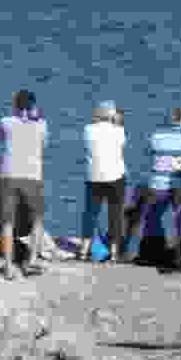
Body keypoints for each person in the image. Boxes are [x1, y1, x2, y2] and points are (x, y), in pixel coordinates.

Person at [126, 107, 181, 268]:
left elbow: (147, 152)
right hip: (180, 183)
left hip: (158, 183)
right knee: (180, 219)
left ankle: (152, 251)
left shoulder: (156, 137)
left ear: (170, 119)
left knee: (153, 217)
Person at [0, 90, 48, 280]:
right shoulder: (42, 125)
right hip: (33, 176)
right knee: (38, 220)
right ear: (33, 106)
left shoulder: (6, 122)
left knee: (7, 222)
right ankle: (31, 261)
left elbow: (1, 137)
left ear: (15, 106)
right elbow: (44, 144)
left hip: (9, 175)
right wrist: (36, 117)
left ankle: (8, 267)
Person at [79, 101, 127, 264]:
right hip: (115, 177)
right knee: (115, 214)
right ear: (111, 115)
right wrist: (116, 123)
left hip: (94, 177)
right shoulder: (119, 131)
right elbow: (121, 146)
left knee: (90, 213)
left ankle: (84, 250)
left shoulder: (88, 129)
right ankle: (114, 252)